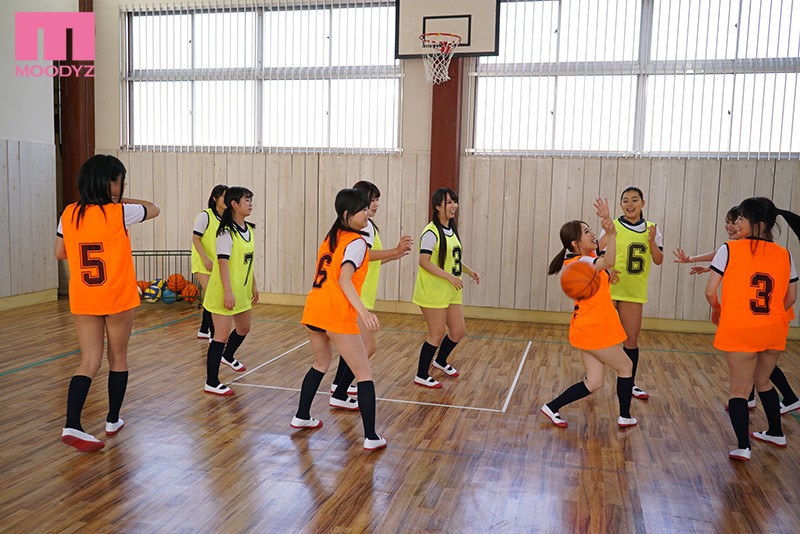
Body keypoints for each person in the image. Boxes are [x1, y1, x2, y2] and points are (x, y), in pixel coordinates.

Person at [54, 154, 160, 452]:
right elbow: (155, 208)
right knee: (118, 357)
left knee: (89, 361)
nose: (121, 187)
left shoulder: (69, 213)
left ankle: (72, 424)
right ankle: (112, 419)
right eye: (120, 181)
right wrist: (120, 201)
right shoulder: (119, 212)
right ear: (111, 183)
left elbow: (59, 252)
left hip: (84, 296)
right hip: (116, 296)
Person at [674, 206, 800, 415]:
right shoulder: (770, 251)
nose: (732, 226)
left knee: (757, 366)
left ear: (755, 224)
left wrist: (716, 300)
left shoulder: (741, 248)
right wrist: (705, 264)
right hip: (770, 316)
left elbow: (729, 263)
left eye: (737, 220)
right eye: (729, 221)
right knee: (757, 365)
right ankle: (757, 400)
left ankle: (785, 398)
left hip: (763, 315)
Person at [705, 197, 800, 461]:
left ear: (757, 224)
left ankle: (743, 446)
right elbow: (791, 298)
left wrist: (718, 309)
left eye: (741, 218)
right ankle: (776, 433)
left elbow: (710, 291)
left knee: (739, 390)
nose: (736, 223)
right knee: (764, 381)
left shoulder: (729, 249)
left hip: (741, 330)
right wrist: (770, 316)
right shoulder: (785, 254)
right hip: (773, 330)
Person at [293, 188, 386, 451]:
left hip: (314, 309)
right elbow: (345, 280)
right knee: (364, 373)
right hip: (335, 313)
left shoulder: (331, 237)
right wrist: (364, 312)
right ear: (347, 214)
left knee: (321, 363)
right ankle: (371, 437)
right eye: (362, 210)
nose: (367, 214)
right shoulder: (356, 242)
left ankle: (301, 416)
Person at [541, 198, 637, 429]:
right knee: (625, 367)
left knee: (594, 382)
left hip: (587, 328)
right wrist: (611, 233)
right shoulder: (583, 260)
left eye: (591, 229)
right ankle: (625, 415)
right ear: (575, 243)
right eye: (587, 232)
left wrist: (607, 220)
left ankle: (552, 407)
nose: (592, 233)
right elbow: (609, 259)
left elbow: (602, 257)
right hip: (593, 329)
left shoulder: (582, 258)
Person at [329, 180, 412, 408]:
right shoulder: (362, 228)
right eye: (371, 200)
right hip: (357, 295)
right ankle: (340, 391)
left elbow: (366, 261)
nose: (375, 204)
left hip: (361, 293)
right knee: (367, 346)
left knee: (354, 346)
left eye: (376, 200)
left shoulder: (367, 226)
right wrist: (393, 250)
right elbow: (363, 256)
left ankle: (339, 386)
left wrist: (394, 255)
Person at [598, 186, 663, 400]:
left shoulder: (652, 228)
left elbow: (659, 259)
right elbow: (596, 253)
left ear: (643, 203)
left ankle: (630, 382)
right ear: (620, 205)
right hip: (609, 289)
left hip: (633, 292)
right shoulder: (613, 226)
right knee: (600, 338)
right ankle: (592, 377)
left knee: (631, 340)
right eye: (625, 200)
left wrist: (652, 241)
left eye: (635, 200)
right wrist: (607, 270)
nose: (630, 204)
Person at [411, 188, 480, 389]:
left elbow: (451, 259)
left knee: (458, 331)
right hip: (433, 291)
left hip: (450, 291)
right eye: (449, 202)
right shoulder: (430, 232)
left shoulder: (451, 229)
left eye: (454, 201)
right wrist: (449, 277)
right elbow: (424, 261)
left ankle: (440, 361)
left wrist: (468, 271)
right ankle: (421, 375)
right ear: (437, 207)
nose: (453, 206)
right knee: (437, 333)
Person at [202, 187, 259, 396]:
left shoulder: (249, 230)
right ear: (234, 204)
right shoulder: (226, 232)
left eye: (251, 200)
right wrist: (227, 292)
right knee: (220, 336)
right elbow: (223, 263)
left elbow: (248, 261)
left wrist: (253, 285)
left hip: (241, 291)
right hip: (223, 291)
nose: (250, 204)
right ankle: (211, 382)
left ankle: (228, 356)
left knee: (244, 328)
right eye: (247, 200)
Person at [191, 184, 228, 340]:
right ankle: (214, 335)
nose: (227, 199)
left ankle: (203, 330)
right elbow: (196, 239)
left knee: (209, 297)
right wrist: (205, 258)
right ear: (215, 198)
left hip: (216, 264)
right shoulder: (205, 216)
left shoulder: (227, 218)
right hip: (202, 263)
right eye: (224, 196)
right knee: (213, 297)